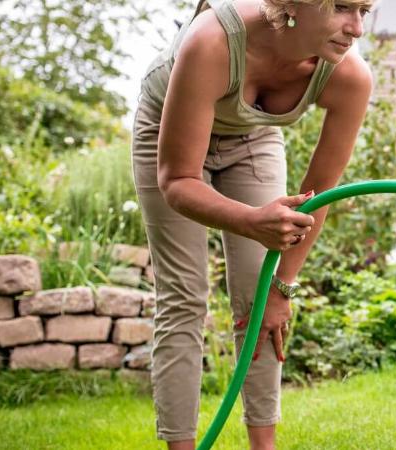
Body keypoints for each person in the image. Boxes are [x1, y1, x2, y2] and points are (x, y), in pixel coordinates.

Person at [130, 0, 373, 448]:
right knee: (184, 298)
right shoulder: (213, 41)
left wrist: (282, 286)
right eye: (342, 6)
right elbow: (177, 181)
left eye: (365, 10)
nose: (357, 27)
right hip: (168, 132)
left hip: (251, 138)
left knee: (259, 304)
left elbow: (317, 196)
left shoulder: (349, 77)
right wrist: (251, 221)